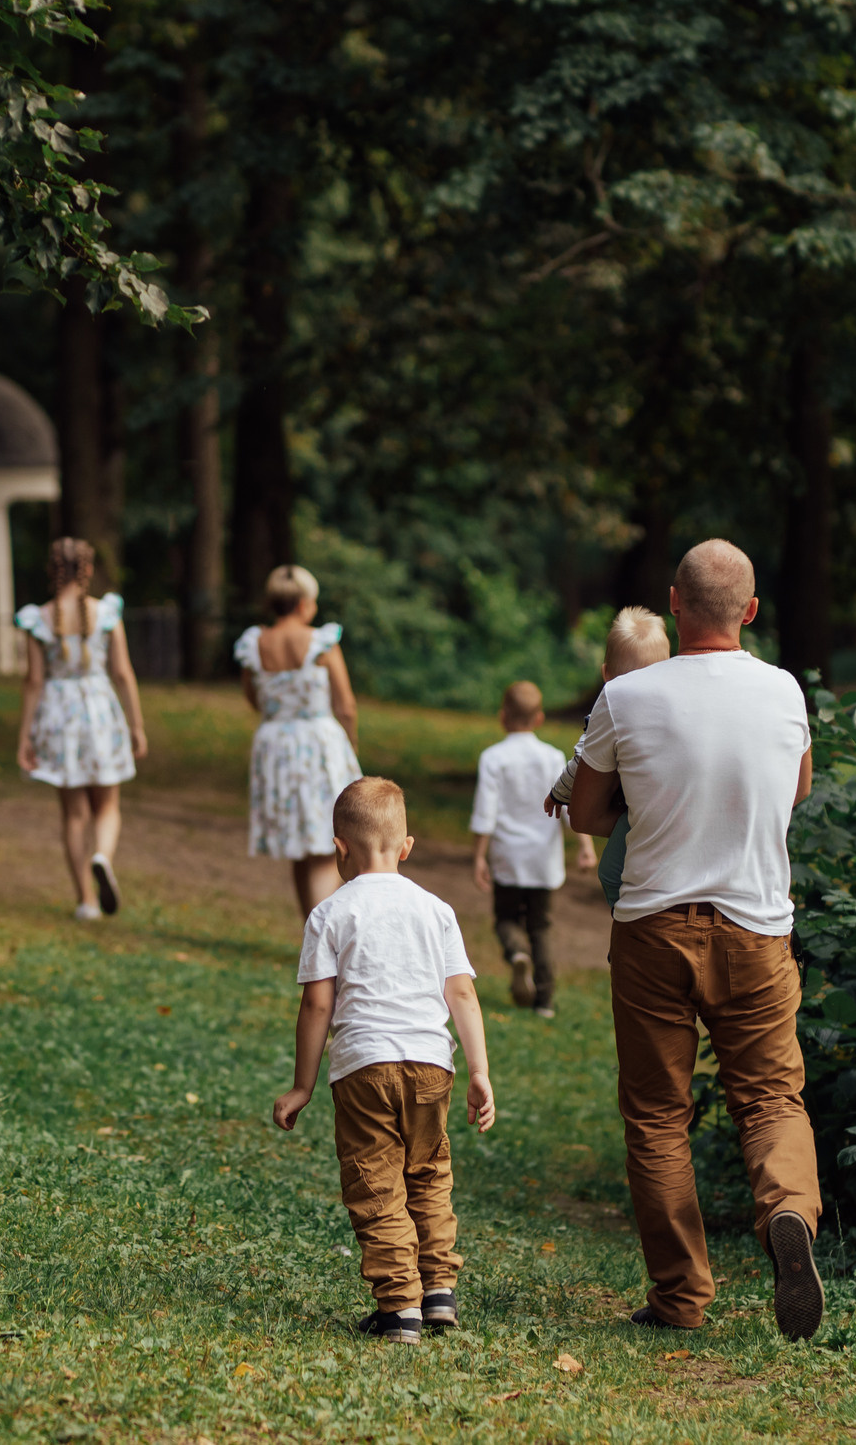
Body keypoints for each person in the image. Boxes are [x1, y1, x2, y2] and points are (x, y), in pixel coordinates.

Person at [566, 541, 823, 1342]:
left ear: (674, 602)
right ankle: (787, 1211)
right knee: (772, 1099)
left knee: (655, 1116)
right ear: (750, 611)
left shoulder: (629, 695)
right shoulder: (784, 691)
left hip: (653, 929)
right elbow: (798, 789)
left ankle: (680, 1297)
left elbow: (585, 811)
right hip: (756, 929)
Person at [273, 778, 496, 1343]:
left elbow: (317, 1002)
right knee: (428, 1176)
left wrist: (303, 1085)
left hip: (363, 1067)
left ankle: (400, 1308)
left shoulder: (329, 913)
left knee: (376, 1183)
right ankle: (438, 1291)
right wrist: (478, 1072)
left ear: (338, 848)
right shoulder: (436, 910)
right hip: (431, 1066)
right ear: (406, 847)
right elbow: (462, 993)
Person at [15, 537, 149, 920]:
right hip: (99, 710)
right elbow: (122, 672)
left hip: (59, 715)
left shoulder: (37, 618)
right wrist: (137, 724)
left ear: (52, 571)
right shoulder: (106, 613)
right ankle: (102, 856)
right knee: (107, 804)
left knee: (73, 813)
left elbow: (33, 681)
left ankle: (86, 901)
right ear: (88, 570)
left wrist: (24, 735)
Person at [236, 564, 363, 918]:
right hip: (318, 745)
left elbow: (253, 696)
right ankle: (324, 939)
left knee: (299, 846)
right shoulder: (321, 641)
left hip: (275, 745)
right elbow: (346, 704)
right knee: (325, 847)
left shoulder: (254, 644)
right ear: (305, 604)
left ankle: (312, 933)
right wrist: (350, 742)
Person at [468, 681, 593, 1017]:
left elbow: (485, 811)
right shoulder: (553, 757)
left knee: (506, 918)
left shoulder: (493, 758)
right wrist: (585, 846)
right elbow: (568, 805)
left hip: (508, 857)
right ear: (539, 718)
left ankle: (516, 952)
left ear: (502, 717)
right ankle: (545, 1001)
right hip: (543, 859)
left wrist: (479, 856)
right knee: (541, 926)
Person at [546, 607, 675, 910]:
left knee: (610, 873)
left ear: (606, 674)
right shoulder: (676, 712)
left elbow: (581, 760)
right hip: (669, 805)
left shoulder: (611, 708)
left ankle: (629, 920)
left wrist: (558, 793)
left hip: (637, 813)